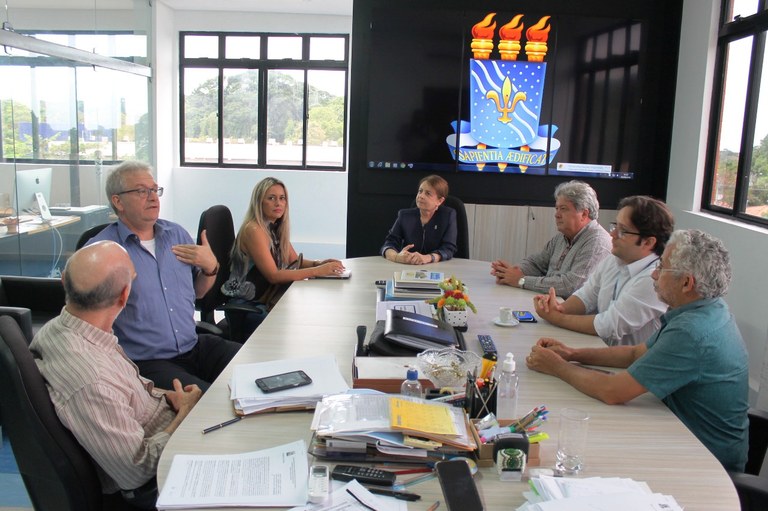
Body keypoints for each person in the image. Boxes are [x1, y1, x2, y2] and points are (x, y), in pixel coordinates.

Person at [525, 229, 748, 472]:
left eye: (662, 267)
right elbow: (636, 354)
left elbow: (613, 391)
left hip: (707, 461)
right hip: (683, 434)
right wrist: (572, 354)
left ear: (686, 283)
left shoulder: (692, 331)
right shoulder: (706, 309)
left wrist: (556, 367)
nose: (654, 274)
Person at [30, 241, 202, 509]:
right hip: (160, 479)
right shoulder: (92, 379)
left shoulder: (65, 328)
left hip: (164, 427)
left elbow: (124, 390)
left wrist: (169, 397)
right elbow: (136, 472)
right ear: (124, 296)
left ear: (64, 281)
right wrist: (185, 415)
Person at [89, 160, 241, 391]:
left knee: (258, 368)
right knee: (211, 398)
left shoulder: (176, 234)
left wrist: (211, 268)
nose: (153, 197)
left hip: (193, 346)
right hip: (147, 362)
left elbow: (198, 292)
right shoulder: (102, 251)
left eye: (155, 189)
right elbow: (89, 321)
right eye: (142, 191)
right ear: (118, 201)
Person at [533, 196, 674, 346]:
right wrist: (558, 308)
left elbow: (608, 325)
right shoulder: (614, 259)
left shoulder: (655, 278)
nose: (612, 234)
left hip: (629, 359)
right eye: (615, 226)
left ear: (648, 242)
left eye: (623, 231)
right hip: (600, 348)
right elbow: (586, 296)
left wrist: (557, 318)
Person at [227, 177, 346, 336]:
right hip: (249, 306)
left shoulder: (273, 226)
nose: (278, 203)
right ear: (259, 202)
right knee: (300, 324)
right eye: (271, 198)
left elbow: (294, 261)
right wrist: (317, 271)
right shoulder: (254, 230)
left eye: (282, 198)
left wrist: (319, 263)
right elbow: (274, 276)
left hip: (268, 298)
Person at [490, 180, 611, 297]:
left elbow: (571, 286)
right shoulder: (561, 237)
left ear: (584, 214)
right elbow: (537, 263)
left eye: (563, 209)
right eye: (557, 208)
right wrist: (511, 272)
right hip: (551, 303)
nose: (557, 215)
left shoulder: (597, 242)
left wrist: (521, 280)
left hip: (570, 309)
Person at [381, 174, 457, 264]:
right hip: (409, 266)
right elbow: (389, 244)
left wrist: (429, 258)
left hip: (438, 267)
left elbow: (448, 248)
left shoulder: (447, 215)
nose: (421, 196)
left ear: (440, 201)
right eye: (420, 191)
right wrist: (396, 257)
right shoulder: (404, 216)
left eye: (428, 193)